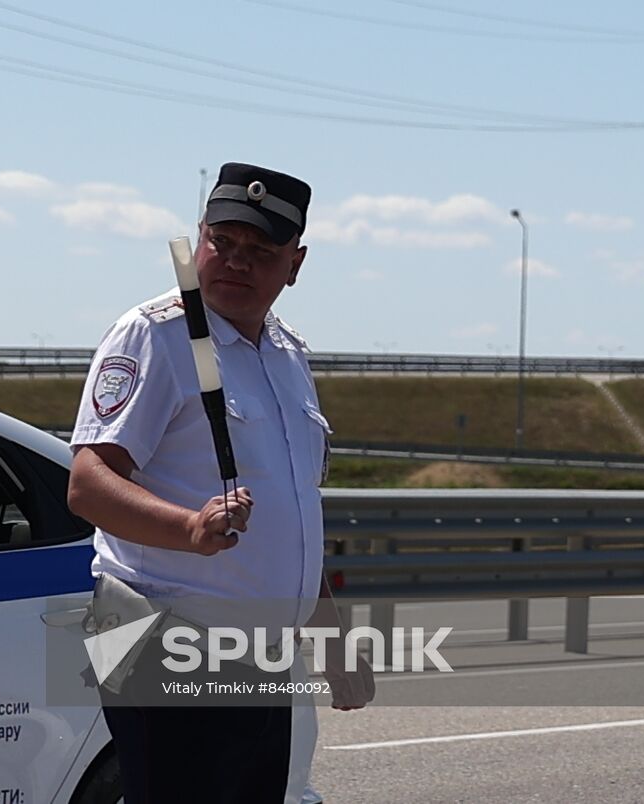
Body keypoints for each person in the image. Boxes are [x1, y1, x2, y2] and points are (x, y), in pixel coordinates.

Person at [68, 162, 373, 803]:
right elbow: (90, 484)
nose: (235, 262)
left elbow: (295, 518)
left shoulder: (287, 356)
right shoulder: (156, 335)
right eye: (222, 243)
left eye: (260, 251)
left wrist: (329, 638)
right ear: (197, 238)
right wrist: (187, 527)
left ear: (295, 263)